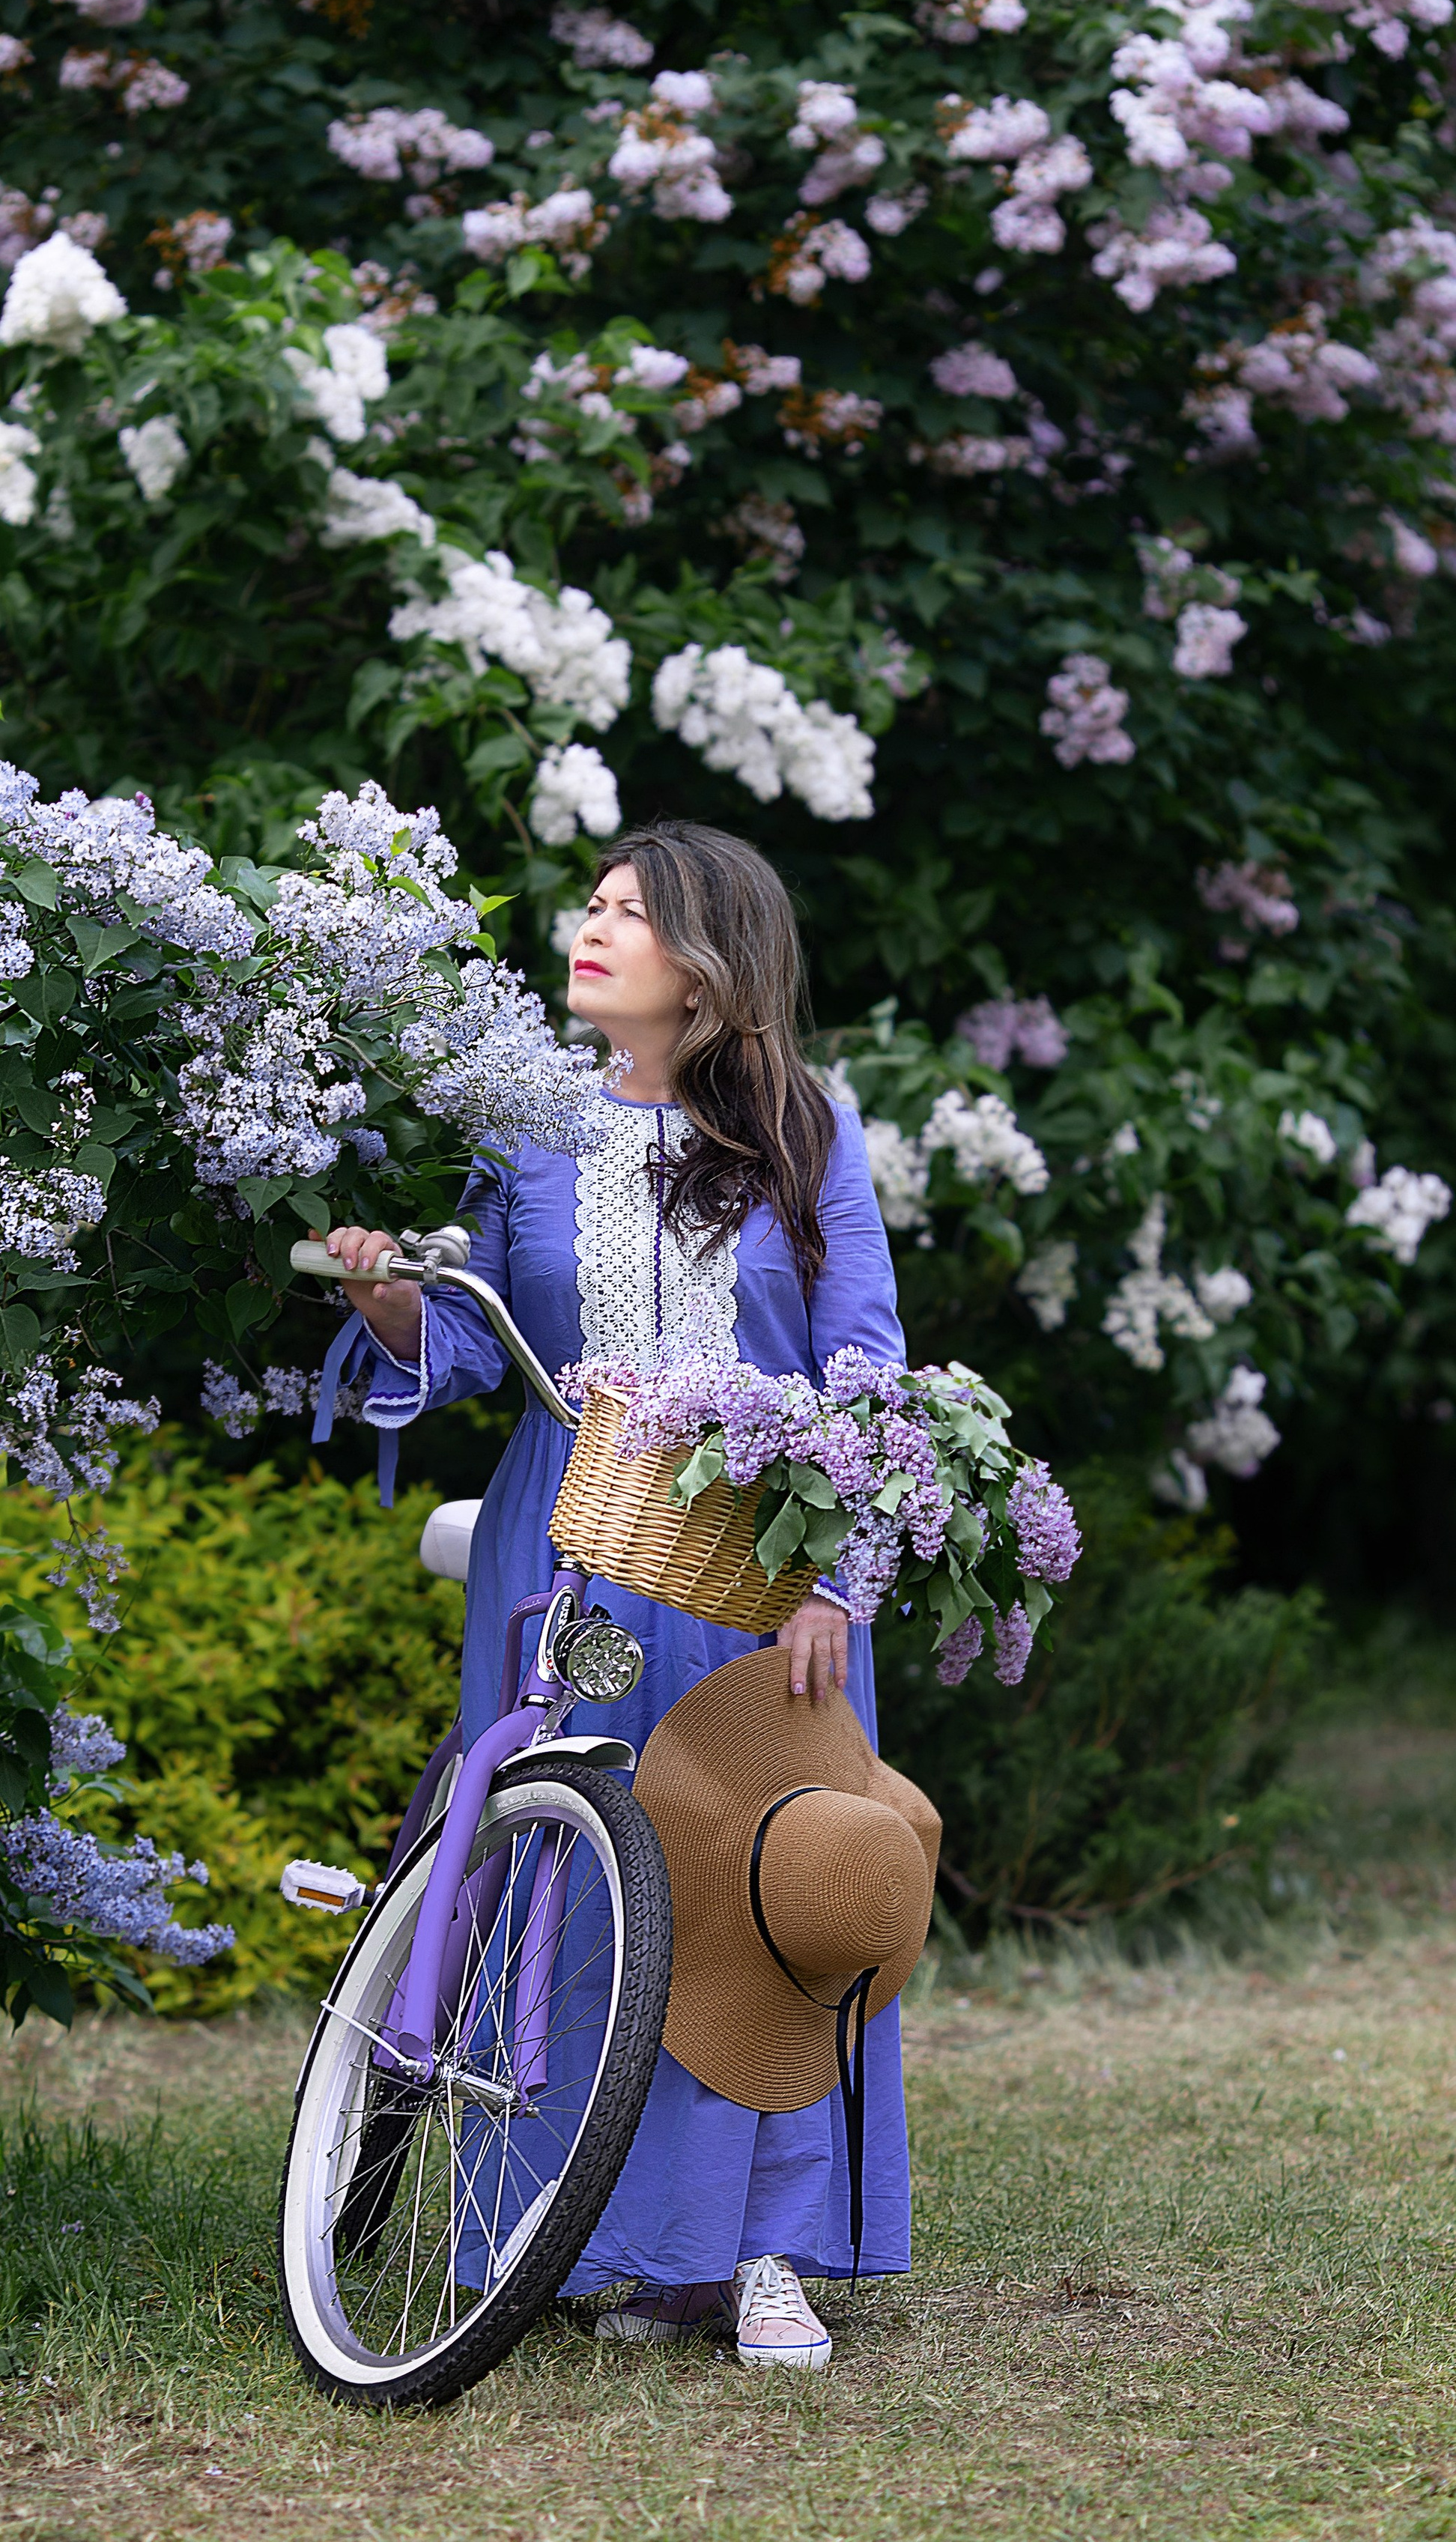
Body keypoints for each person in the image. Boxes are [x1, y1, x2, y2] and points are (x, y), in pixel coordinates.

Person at [321, 819, 910, 2371]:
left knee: (753, 1892)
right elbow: (453, 1352)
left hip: (754, 1578)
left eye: (626, 914)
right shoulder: (523, 1132)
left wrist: (834, 1581)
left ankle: (762, 2251)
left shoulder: (806, 1135)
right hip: (562, 1548)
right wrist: (385, 1287)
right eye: (587, 905)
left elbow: (863, 1371)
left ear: (710, 965)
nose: (587, 930)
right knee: (556, 1881)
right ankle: (544, 2237)